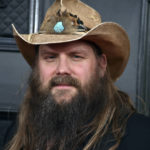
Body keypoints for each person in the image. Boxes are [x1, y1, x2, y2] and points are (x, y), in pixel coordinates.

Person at [4, 0, 150, 150]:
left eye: (76, 56)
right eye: (50, 57)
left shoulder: (139, 136)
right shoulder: (17, 132)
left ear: (101, 65)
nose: (62, 69)